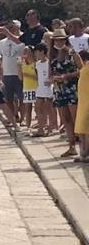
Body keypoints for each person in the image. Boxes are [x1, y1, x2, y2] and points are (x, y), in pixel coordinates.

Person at [50, 30, 78, 158]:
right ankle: (71, 146)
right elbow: (51, 72)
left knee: (76, 117)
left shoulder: (72, 52)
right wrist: (52, 78)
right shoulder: (53, 55)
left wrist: (66, 76)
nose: (58, 42)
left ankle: (83, 146)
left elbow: (81, 69)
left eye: (61, 39)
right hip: (59, 89)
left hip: (72, 88)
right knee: (66, 118)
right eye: (56, 40)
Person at [0, 22, 24, 128]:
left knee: (22, 98)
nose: (10, 30)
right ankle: (13, 117)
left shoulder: (20, 40)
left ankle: (23, 118)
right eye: (9, 28)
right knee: (8, 99)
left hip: (19, 73)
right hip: (7, 73)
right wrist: (1, 74)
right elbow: (1, 58)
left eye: (12, 28)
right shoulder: (2, 42)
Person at [32, 43, 55, 137]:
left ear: (42, 51)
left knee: (49, 108)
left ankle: (50, 128)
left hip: (48, 88)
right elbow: (37, 76)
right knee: (37, 107)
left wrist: (51, 80)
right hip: (40, 88)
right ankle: (41, 129)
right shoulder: (37, 64)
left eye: (36, 51)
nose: (35, 54)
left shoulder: (49, 63)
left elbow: (53, 74)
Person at [73, 51, 89, 162]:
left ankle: (86, 152)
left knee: (86, 128)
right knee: (80, 128)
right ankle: (83, 152)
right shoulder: (83, 68)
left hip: (87, 101)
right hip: (82, 101)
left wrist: (73, 52)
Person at [21, 45, 38, 132]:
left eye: (26, 51)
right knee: (28, 108)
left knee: (38, 108)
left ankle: (40, 124)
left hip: (36, 87)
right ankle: (28, 126)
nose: (24, 53)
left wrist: (27, 75)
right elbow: (21, 78)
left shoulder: (35, 63)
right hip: (26, 88)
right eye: (23, 51)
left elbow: (37, 77)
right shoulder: (23, 64)